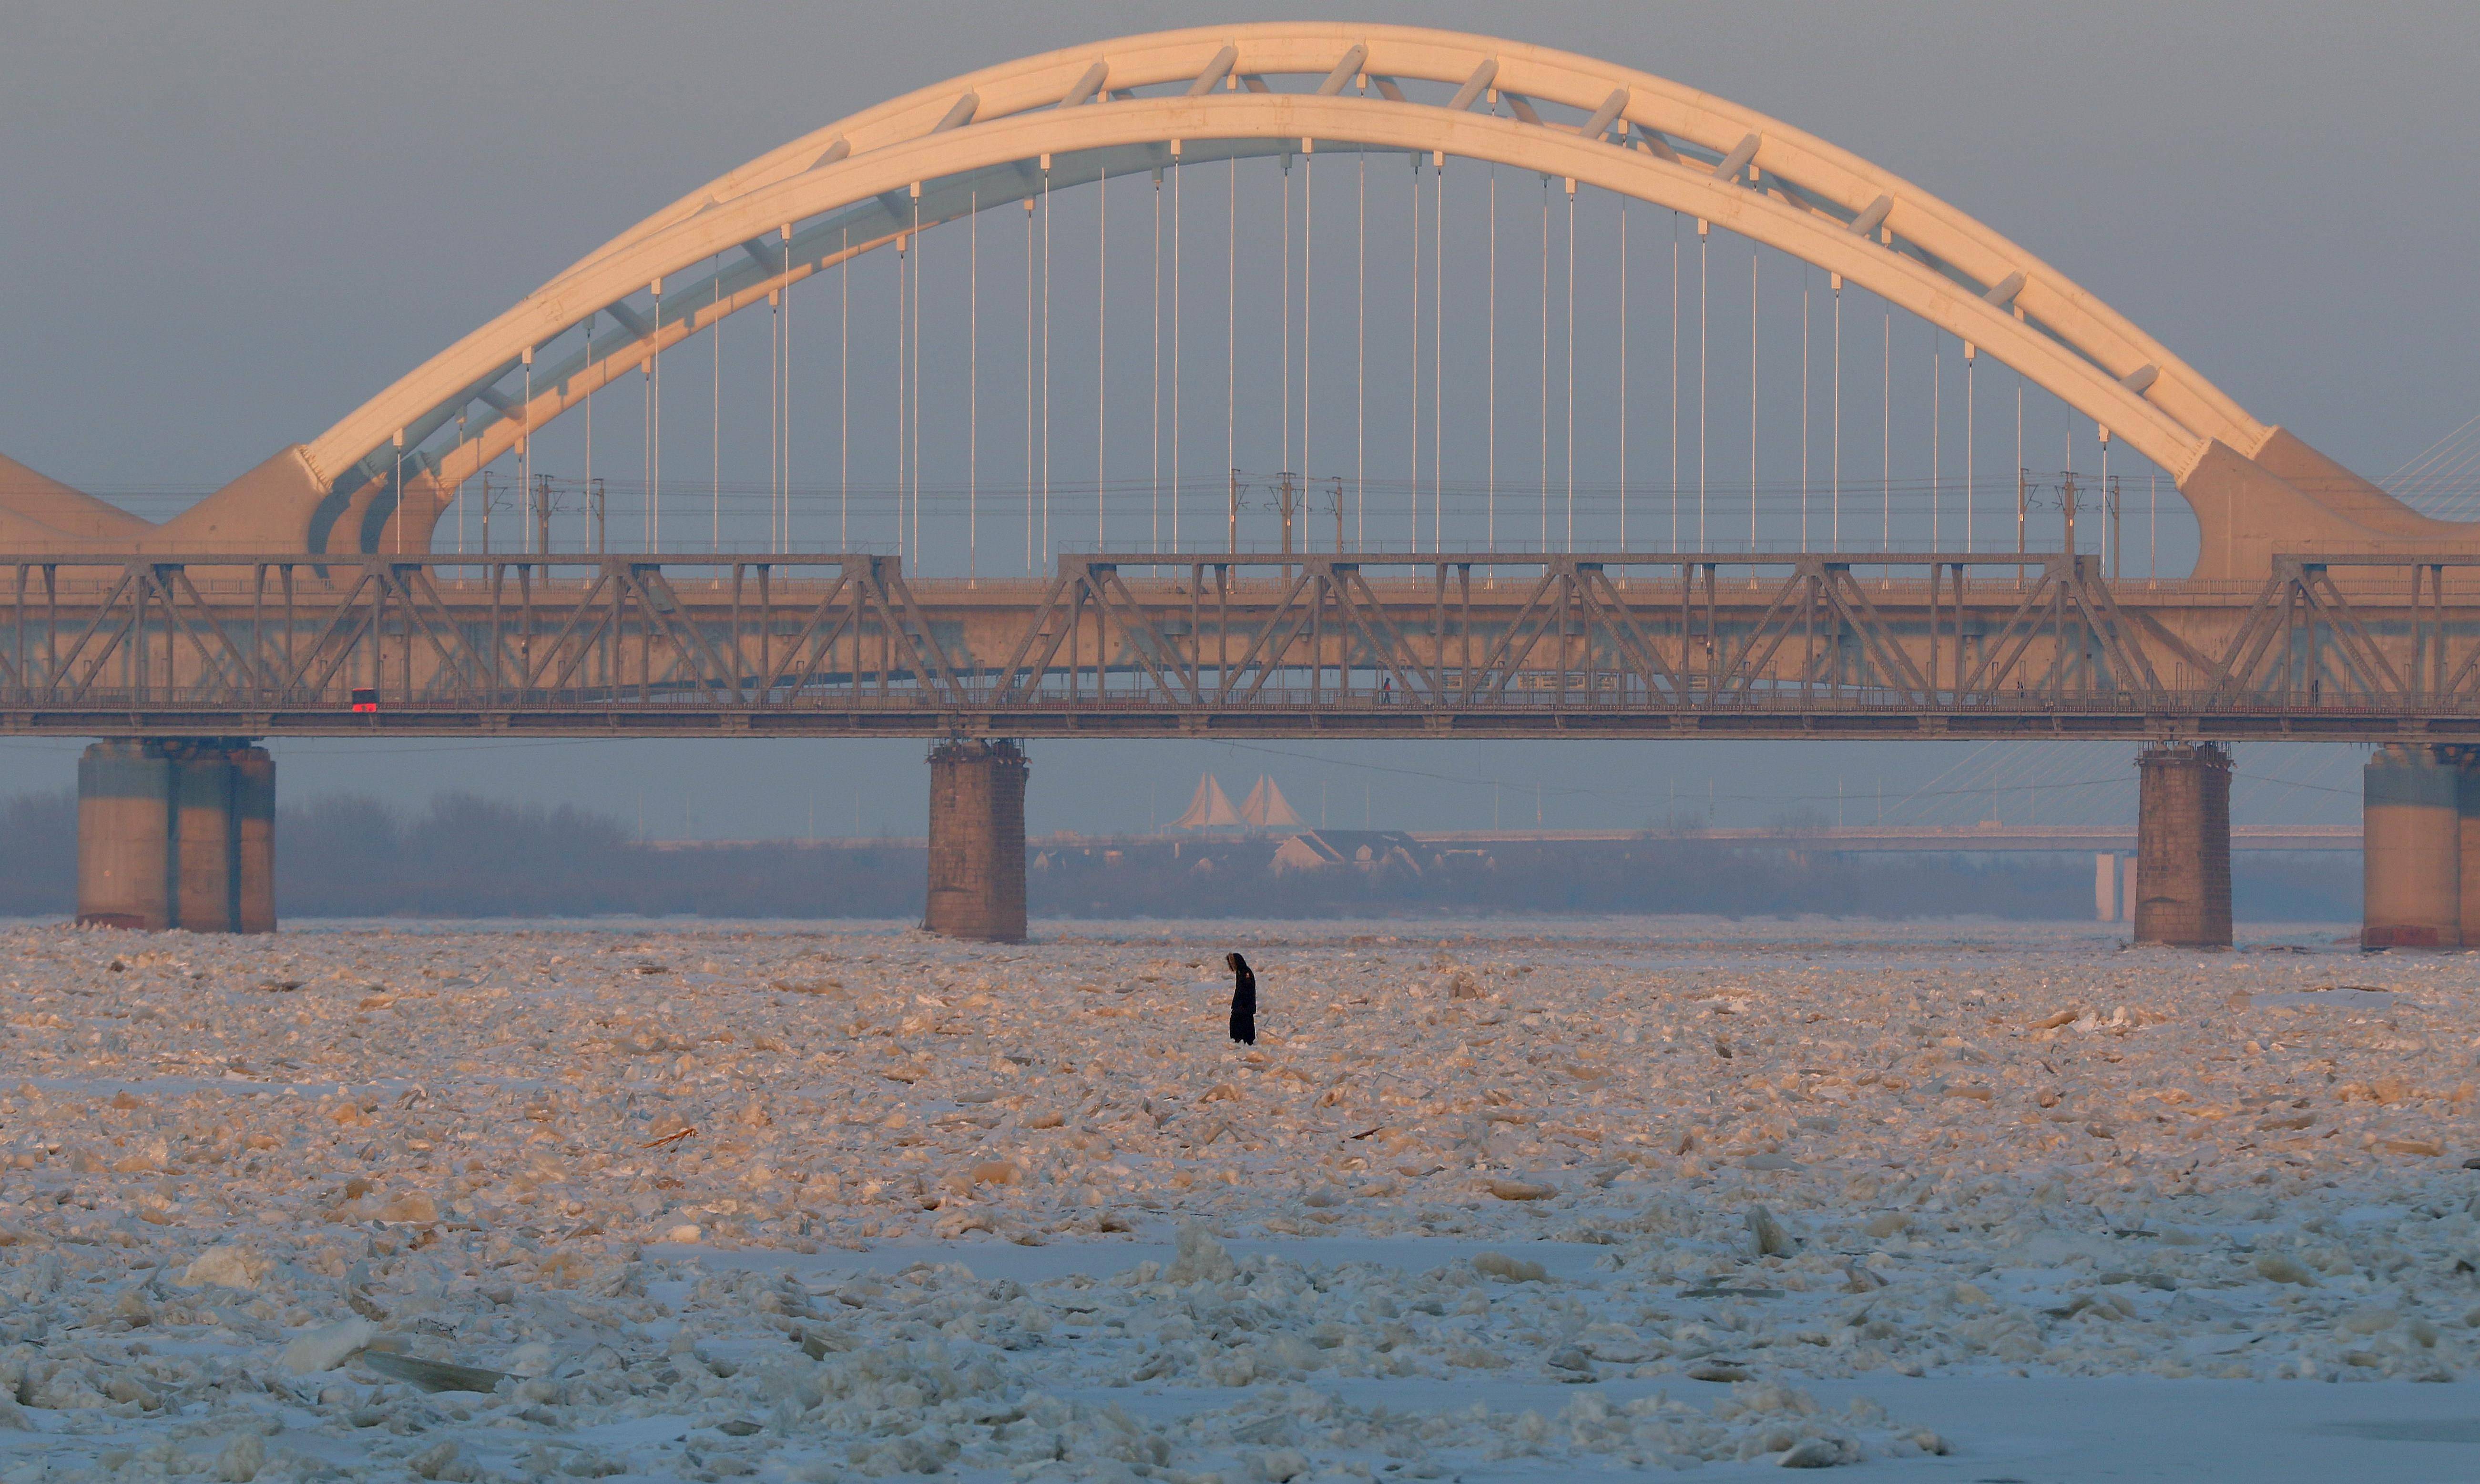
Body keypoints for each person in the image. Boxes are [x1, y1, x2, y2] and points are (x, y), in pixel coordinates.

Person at [1225, 951, 1256, 1045]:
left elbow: (1247, 990)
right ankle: (1238, 1039)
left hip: (1245, 1006)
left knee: (1244, 1024)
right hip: (1240, 1005)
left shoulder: (1246, 973)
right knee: (1236, 1023)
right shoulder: (1240, 972)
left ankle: (1247, 1041)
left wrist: (1243, 1004)